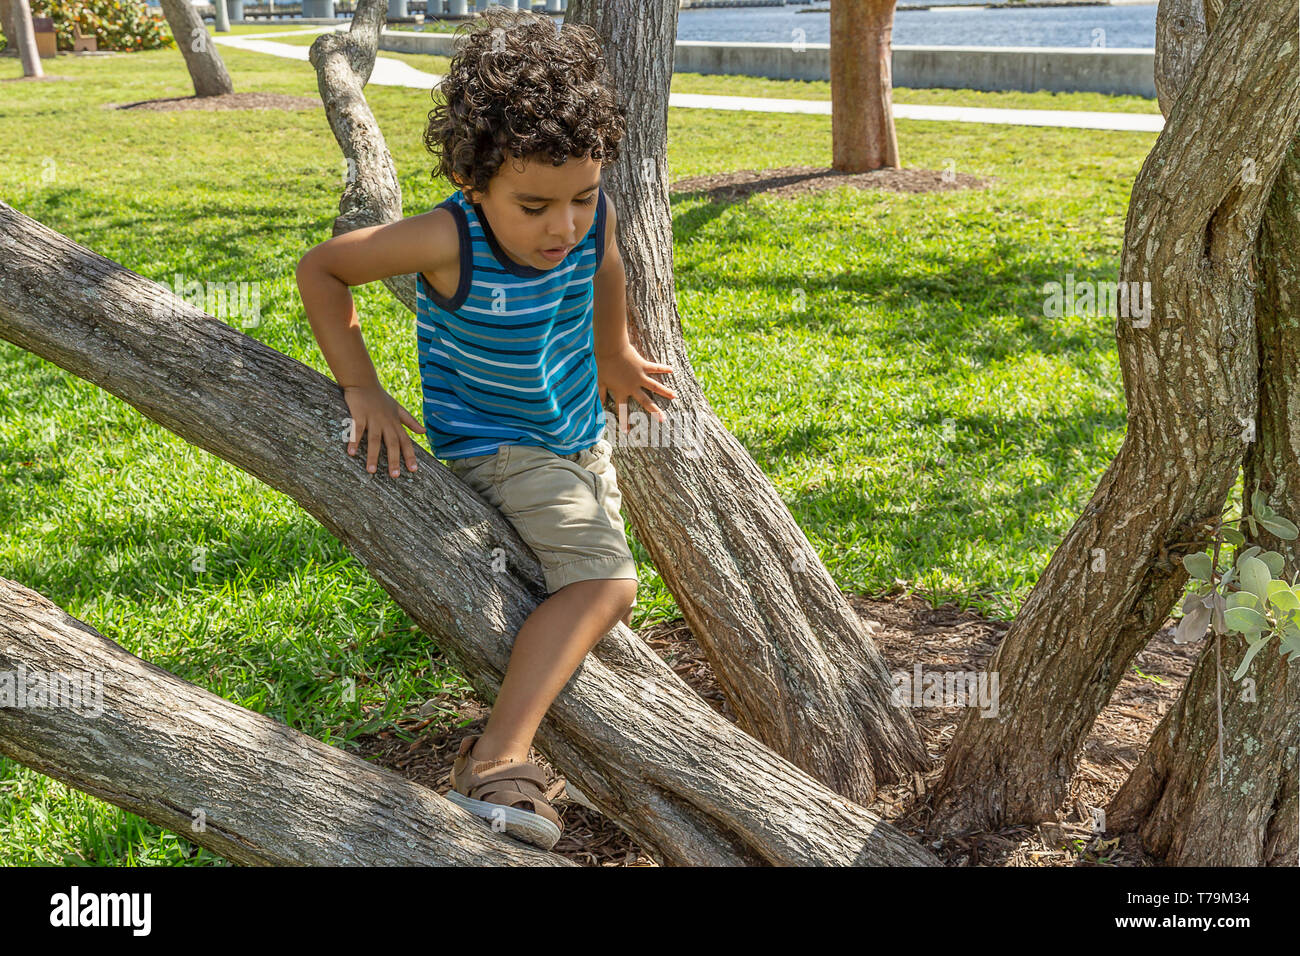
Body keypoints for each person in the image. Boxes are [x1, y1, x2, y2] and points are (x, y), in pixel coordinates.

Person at [295, 7, 676, 850]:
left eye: (580, 196)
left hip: (580, 441)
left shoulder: (591, 216)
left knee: (589, 603)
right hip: (497, 451)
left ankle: (592, 762)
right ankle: (496, 760)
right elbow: (323, 269)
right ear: (476, 182)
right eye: (534, 205)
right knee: (606, 587)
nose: (563, 226)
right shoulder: (446, 236)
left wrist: (613, 351)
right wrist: (360, 386)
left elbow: (607, 263)